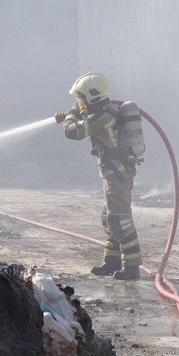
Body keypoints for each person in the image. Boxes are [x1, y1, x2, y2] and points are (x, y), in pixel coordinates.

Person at [54, 73, 142, 280]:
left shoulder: (104, 116)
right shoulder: (101, 112)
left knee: (118, 219)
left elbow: (74, 132)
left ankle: (132, 266)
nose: (79, 102)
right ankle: (111, 261)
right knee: (109, 218)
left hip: (117, 174)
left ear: (92, 97)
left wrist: (71, 113)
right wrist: (73, 112)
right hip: (112, 174)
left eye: (81, 98)